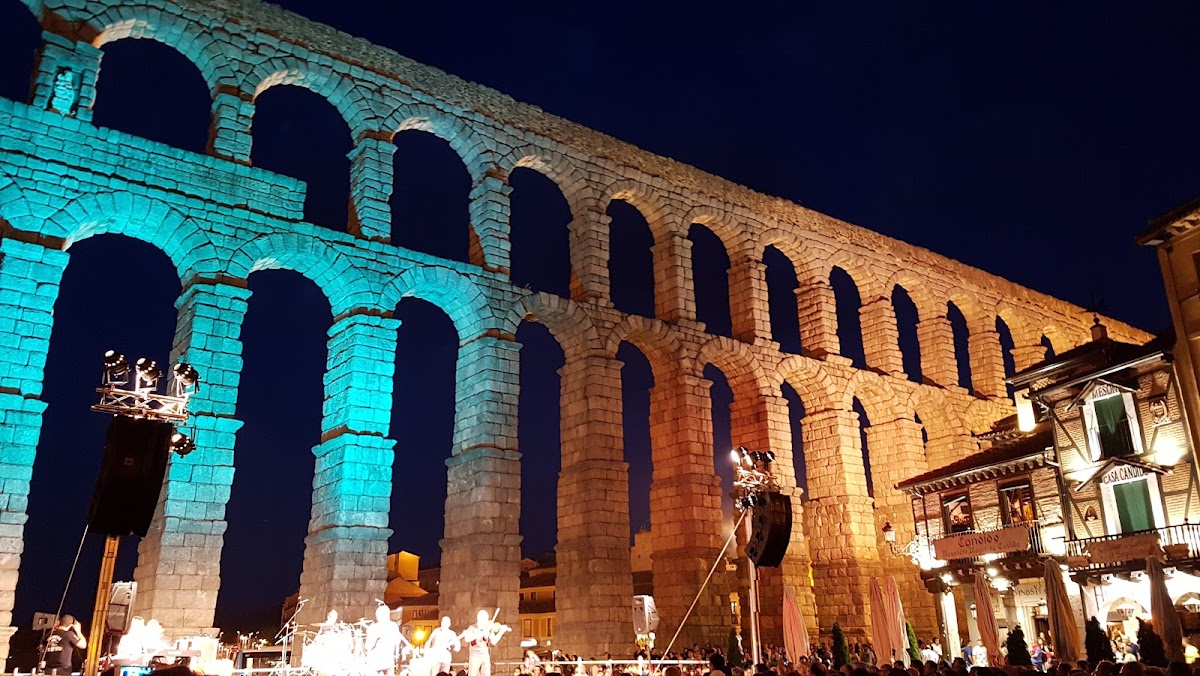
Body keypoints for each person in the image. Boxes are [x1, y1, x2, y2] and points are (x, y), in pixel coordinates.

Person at [461, 610, 511, 676]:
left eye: (486, 618)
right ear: (478, 618)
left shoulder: (488, 628)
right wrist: (482, 633)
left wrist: (501, 632)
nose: (485, 620)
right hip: (474, 656)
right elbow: (467, 639)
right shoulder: (472, 628)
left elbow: (494, 641)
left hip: (485, 655)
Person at [367, 605, 409, 676]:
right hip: (388, 662)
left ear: (378, 616)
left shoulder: (374, 628)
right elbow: (397, 642)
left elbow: (368, 646)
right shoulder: (393, 626)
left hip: (375, 663)